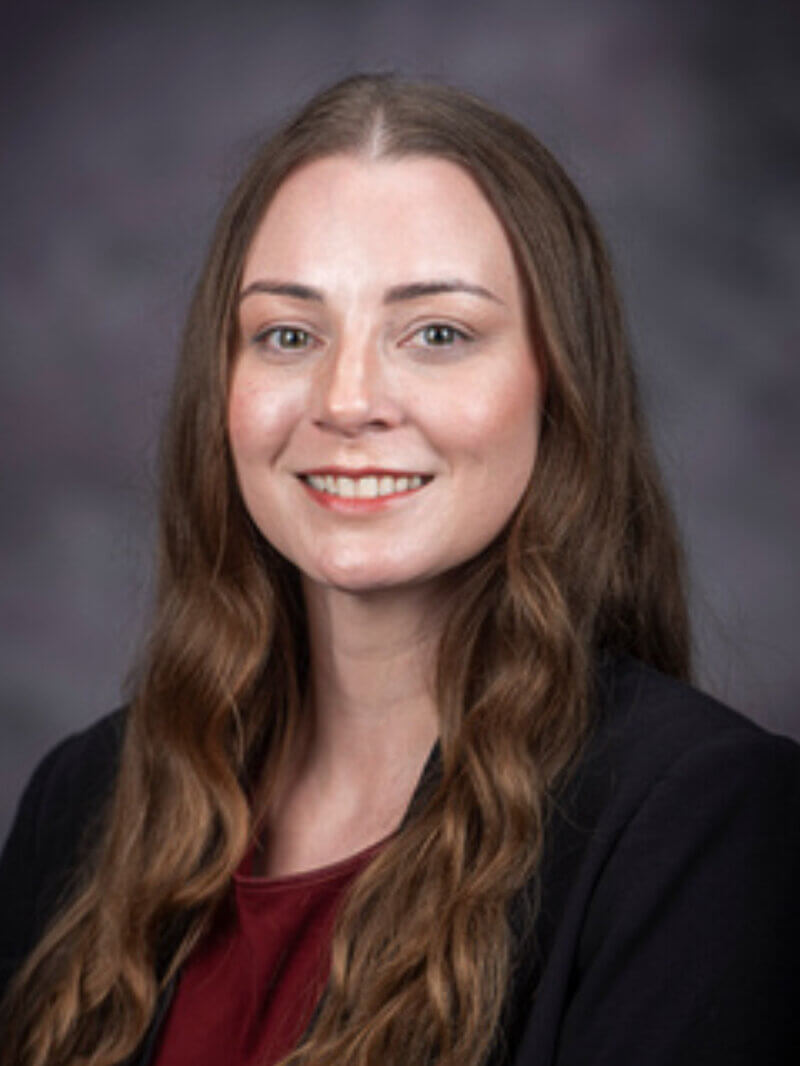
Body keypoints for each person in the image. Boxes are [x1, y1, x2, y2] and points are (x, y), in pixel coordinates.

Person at [0, 72, 797, 1066]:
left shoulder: (701, 825)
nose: (346, 399)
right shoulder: (83, 802)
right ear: (225, 387)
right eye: (288, 334)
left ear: (554, 385)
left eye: (435, 334)